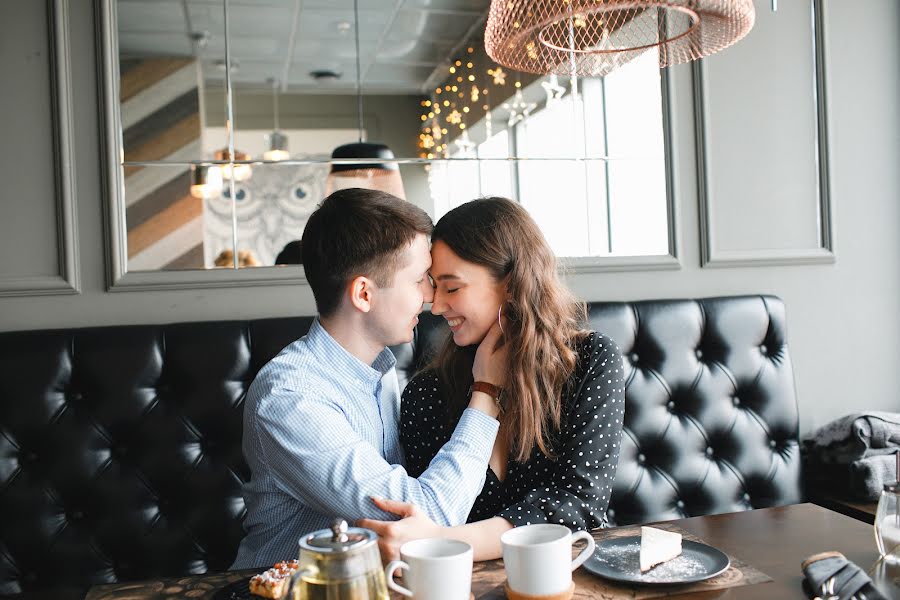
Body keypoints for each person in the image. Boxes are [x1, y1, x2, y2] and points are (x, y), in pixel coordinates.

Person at [232, 188, 504, 569]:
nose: (431, 296)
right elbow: (426, 517)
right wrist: (486, 391)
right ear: (363, 293)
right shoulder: (291, 398)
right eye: (419, 279)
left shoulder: (380, 370)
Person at [360, 197, 626, 561]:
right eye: (433, 287)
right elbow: (427, 513)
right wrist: (484, 391)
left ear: (513, 284)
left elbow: (578, 505)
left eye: (452, 288)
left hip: (571, 573)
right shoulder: (426, 393)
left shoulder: (589, 362)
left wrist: (444, 541)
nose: (436, 307)